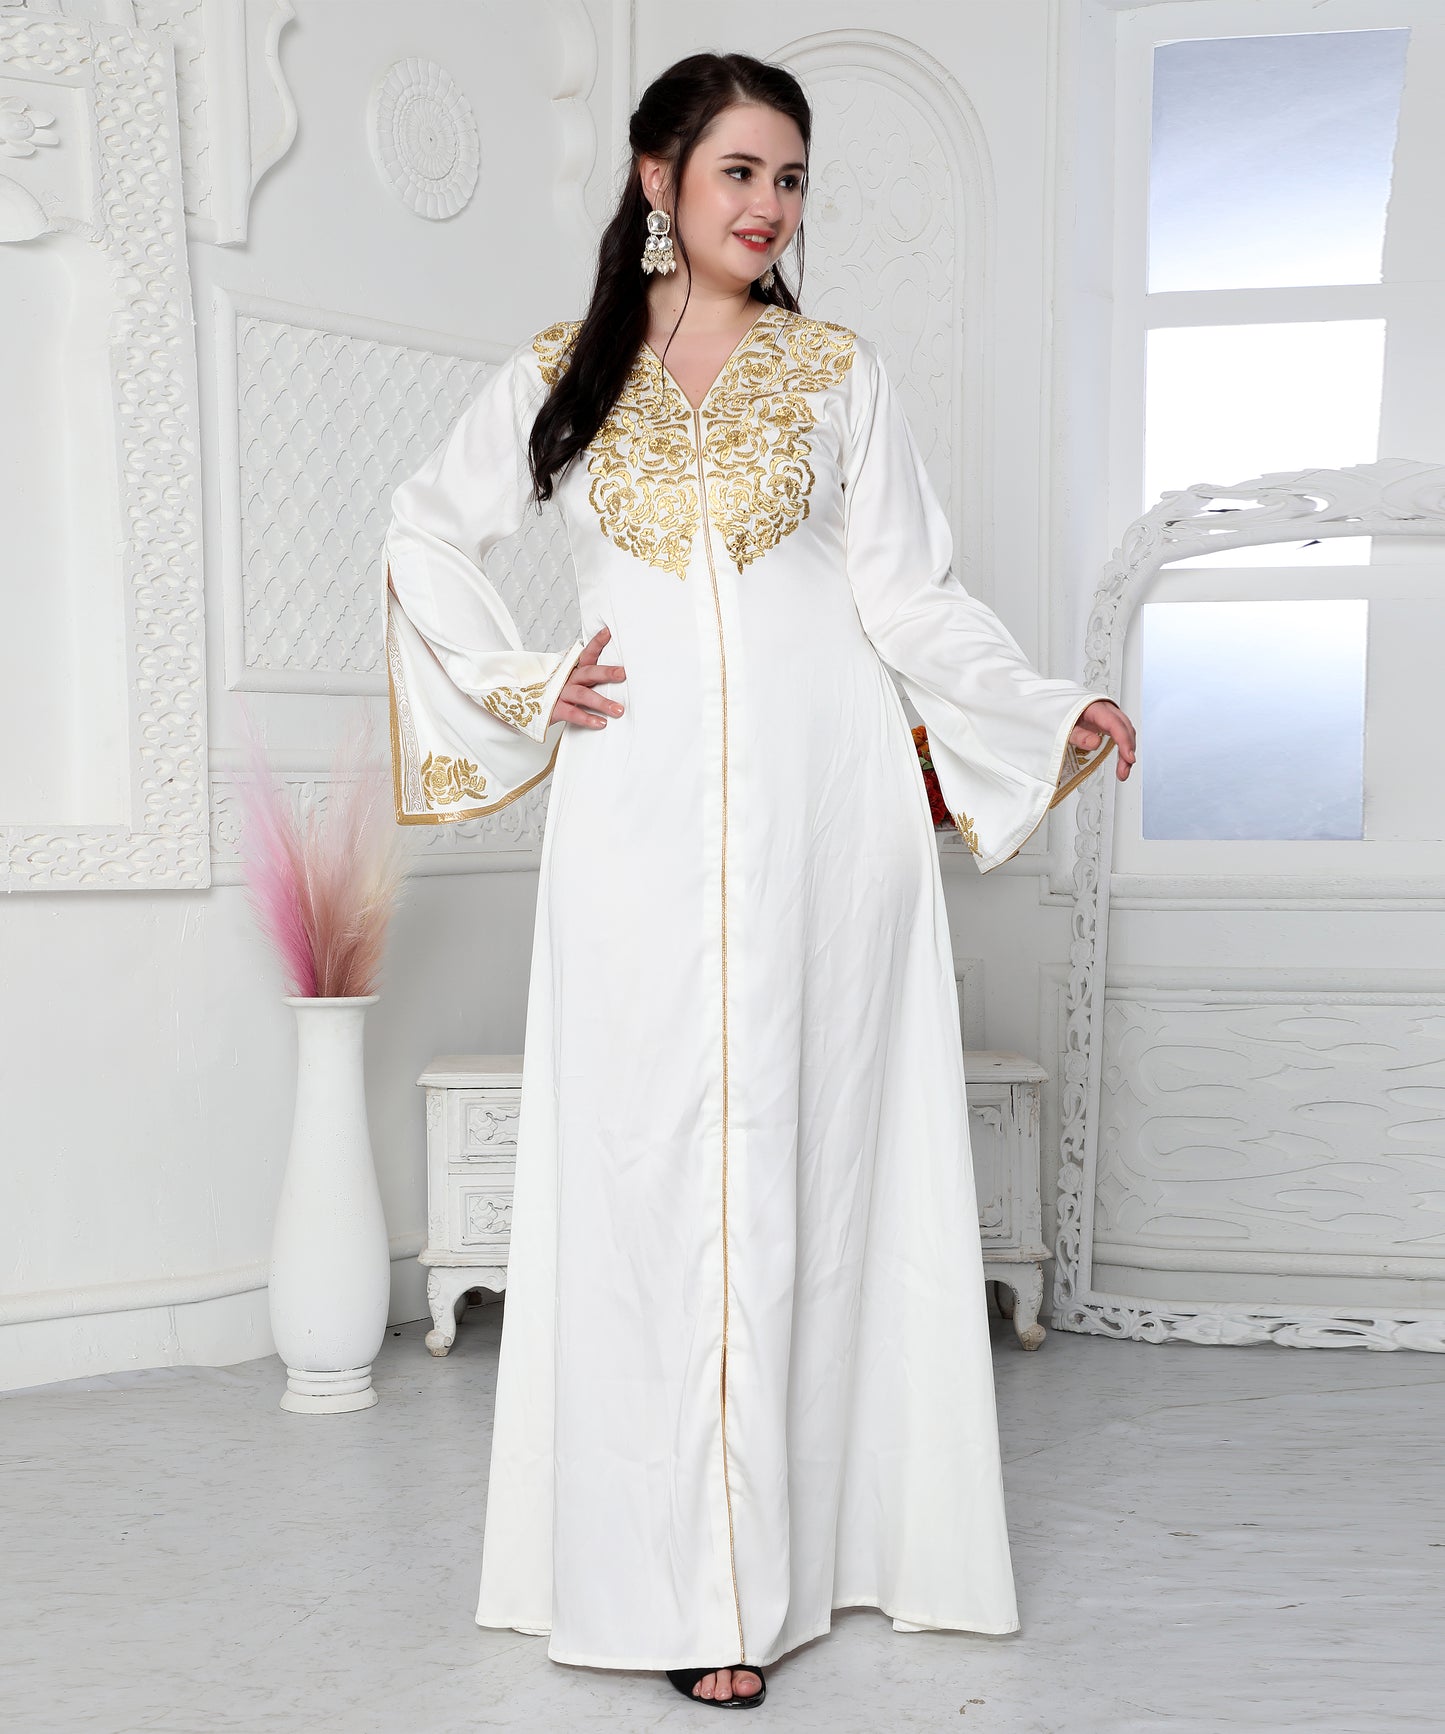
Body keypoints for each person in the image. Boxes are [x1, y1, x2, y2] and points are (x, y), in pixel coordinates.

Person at [384, 49, 1136, 1712]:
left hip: (829, 819)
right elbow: (422, 533)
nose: (769, 204)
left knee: (814, 1164)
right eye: (739, 170)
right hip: (635, 818)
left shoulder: (835, 372)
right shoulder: (559, 374)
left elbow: (912, 597)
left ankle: (785, 1568)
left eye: (790, 177)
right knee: (650, 1171)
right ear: (656, 178)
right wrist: (523, 681)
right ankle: (664, 1571)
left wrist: (1038, 704)